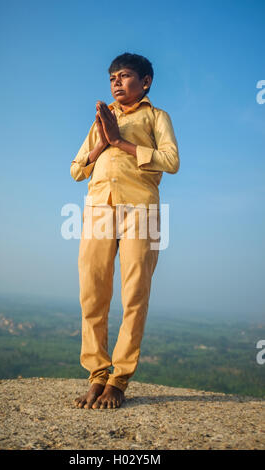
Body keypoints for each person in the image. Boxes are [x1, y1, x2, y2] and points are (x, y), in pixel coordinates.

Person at [70, 52, 180, 409]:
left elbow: (171, 160)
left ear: (145, 82)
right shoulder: (103, 121)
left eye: (125, 75)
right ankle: (97, 374)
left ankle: (118, 381)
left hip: (141, 209)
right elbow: (75, 169)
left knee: (134, 294)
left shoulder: (156, 117)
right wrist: (102, 141)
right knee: (92, 292)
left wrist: (121, 142)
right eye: (113, 77)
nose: (117, 82)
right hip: (99, 208)